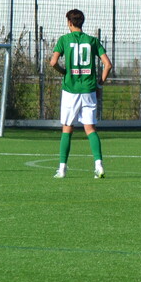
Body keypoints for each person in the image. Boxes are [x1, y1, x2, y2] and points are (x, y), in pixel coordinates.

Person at [50, 9, 112, 178]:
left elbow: (53, 62)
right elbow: (108, 65)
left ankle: (62, 169)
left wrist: (64, 72)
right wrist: (99, 85)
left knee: (67, 128)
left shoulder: (64, 40)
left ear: (69, 22)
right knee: (90, 128)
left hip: (70, 90)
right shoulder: (92, 41)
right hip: (89, 90)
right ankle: (99, 165)